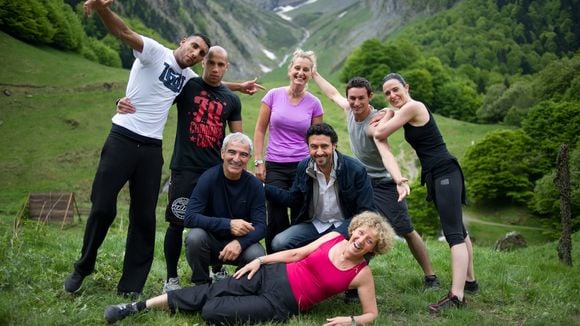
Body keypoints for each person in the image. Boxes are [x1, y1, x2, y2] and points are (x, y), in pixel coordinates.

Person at [64, 0, 260, 296]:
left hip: (151, 150)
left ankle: (131, 287)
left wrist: (240, 86)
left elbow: (213, 84)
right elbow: (125, 32)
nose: (195, 54)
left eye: (201, 53)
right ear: (183, 42)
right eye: (193, 47)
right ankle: (84, 265)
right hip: (123, 137)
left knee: (143, 218)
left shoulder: (187, 77)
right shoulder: (154, 51)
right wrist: (103, 10)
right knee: (103, 207)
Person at [103, 211, 396, 325]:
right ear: (354, 229)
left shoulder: (362, 275)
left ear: (374, 248)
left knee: (212, 310)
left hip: (281, 302)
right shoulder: (334, 237)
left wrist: (351, 321)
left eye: (368, 241)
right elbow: (295, 254)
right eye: (359, 233)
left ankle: (214, 300)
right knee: (207, 290)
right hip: (271, 274)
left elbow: (372, 314)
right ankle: (134, 307)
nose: (359, 240)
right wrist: (259, 260)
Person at [312, 72, 439, 289]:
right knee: (360, 229)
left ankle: (430, 276)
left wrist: (398, 179)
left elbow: (386, 151)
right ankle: (351, 281)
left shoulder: (376, 122)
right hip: (363, 182)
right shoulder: (349, 110)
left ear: (370, 96)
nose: (356, 103)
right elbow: (332, 93)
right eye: (352, 98)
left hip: (385, 184)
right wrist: (314, 73)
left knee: (406, 229)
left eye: (361, 98)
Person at [373, 73, 478, 312]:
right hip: (438, 174)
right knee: (459, 230)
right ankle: (470, 282)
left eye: (395, 89)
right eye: (387, 93)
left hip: (445, 173)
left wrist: (388, 113)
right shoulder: (407, 110)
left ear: (406, 87)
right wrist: (390, 113)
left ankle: (457, 296)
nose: (392, 96)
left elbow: (380, 133)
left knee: (452, 234)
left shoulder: (413, 107)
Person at [253, 49, 324, 253]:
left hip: (303, 167)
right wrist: (259, 161)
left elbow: (317, 139)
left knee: (301, 216)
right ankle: (274, 264)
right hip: (274, 165)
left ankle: (299, 265)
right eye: (297, 68)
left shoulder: (315, 104)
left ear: (311, 73)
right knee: (275, 217)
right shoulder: (273, 96)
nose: (301, 73)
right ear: (290, 69)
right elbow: (259, 130)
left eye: (306, 70)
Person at [266, 123, 375, 252]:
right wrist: (261, 187)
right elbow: (293, 199)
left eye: (324, 146)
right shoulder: (303, 167)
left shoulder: (355, 169)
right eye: (314, 147)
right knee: (279, 242)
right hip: (315, 224)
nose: (319, 152)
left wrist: (335, 235)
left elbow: (366, 211)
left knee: (333, 250)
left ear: (334, 146)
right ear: (308, 147)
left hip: (346, 224)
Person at [182, 132, 266, 286]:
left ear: (249, 158)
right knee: (194, 238)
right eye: (232, 152)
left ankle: (234, 287)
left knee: (257, 254)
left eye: (243, 154)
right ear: (222, 153)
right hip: (210, 241)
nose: (236, 159)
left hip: (240, 243)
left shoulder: (254, 185)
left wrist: (240, 243)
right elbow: (190, 217)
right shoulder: (208, 178)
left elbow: (261, 226)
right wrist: (228, 224)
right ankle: (201, 285)